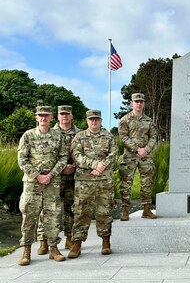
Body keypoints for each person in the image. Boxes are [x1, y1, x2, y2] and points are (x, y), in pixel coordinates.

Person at [17, 106, 68, 266]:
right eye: (41, 116)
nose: (44, 118)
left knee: (52, 217)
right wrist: (38, 176)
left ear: (51, 117)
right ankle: (26, 251)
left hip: (52, 183)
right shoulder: (28, 136)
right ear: (36, 118)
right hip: (33, 183)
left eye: (46, 116)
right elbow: (22, 160)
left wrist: (51, 175)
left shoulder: (58, 136)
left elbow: (63, 157)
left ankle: (53, 248)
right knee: (29, 217)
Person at [68, 110, 118, 258]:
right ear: (87, 121)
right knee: (81, 212)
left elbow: (114, 153)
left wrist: (103, 166)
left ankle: (105, 241)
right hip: (85, 181)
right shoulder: (79, 137)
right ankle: (77, 244)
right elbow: (76, 156)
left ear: (101, 120)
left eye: (96, 119)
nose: (94, 122)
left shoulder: (109, 136)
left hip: (104, 181)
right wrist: (95, 164)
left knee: (105, 211)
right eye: (91, 119)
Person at [36, 105, 80, 254]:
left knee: (71, 208)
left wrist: (73, 165)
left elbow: (84, 152)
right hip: (54, 177)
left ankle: (69, 237)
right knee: (47, 209)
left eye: (67, 114)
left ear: (72, 116)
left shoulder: (79, 133)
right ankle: (43, 241)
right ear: (57, 116)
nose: (65, 116)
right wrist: (60, 168)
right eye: (62, 114)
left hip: (73, 176)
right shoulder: (51, 132)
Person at [118, 93, 158, 220]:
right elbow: (123, 137)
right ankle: (125, 210)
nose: (139, 104)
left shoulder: (148, 120)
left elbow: (153, 136)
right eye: (136, 101)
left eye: (141, 101)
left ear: (144, 103)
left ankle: (146, 209)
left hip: (145, 156)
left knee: (147, 183)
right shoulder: (125, 120)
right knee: (126, 183)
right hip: (130, 155)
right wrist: (136, 149)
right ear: (132, 103)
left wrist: (146, 149)